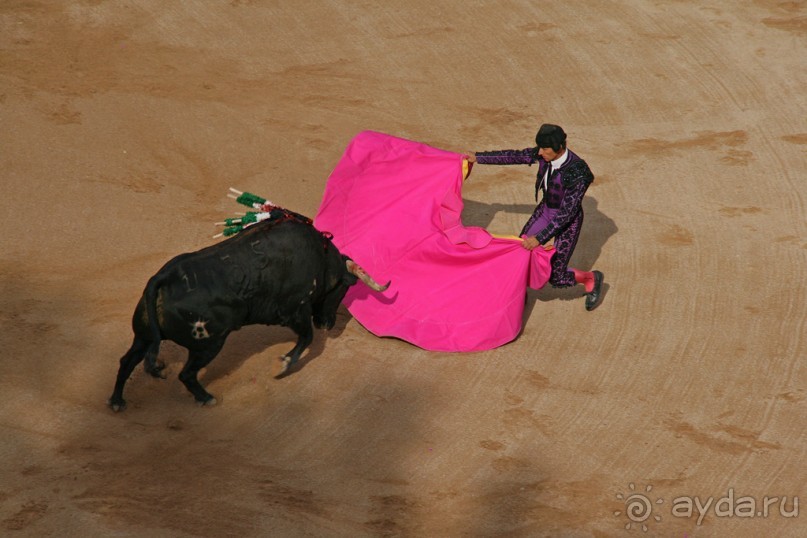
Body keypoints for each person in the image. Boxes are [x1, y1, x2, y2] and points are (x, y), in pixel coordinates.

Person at [466, 123, 604, 310]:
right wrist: (479, 158)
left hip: (567, 222)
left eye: (545, 149)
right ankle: (515, 294)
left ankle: (591, 278)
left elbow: (566, 213)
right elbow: (515, 156)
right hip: (546, 210)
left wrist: (540, 238)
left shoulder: (579, 172)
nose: (540, 152)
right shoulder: (544, 154)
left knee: (557, 276)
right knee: (521, 252)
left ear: (560, 148)